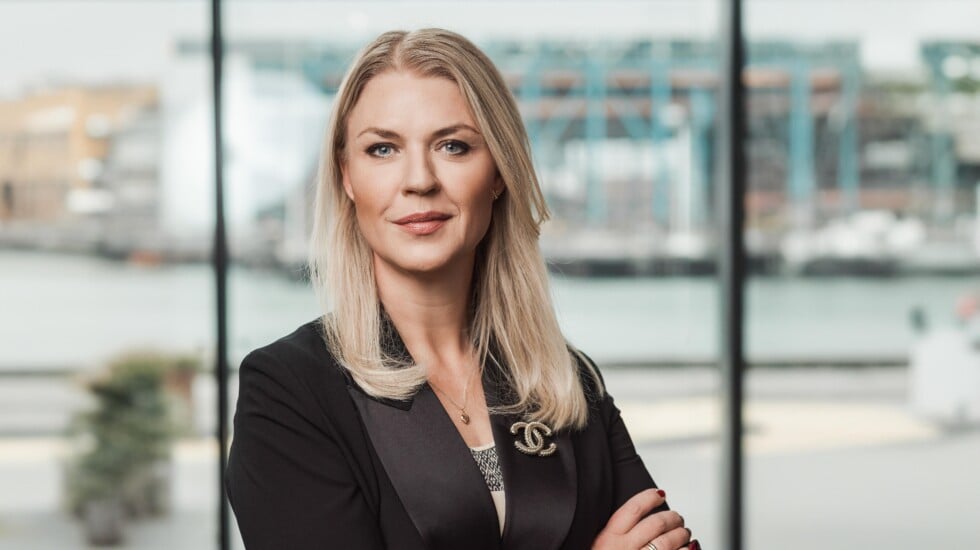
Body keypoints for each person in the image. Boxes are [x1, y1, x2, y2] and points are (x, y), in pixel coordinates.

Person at [224, 28, 701, 550]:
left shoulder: (567, 382)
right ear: (347, 177)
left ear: (498, 171)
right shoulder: (289, 391)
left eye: (453, 146)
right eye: (383, 149)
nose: (419, 180)